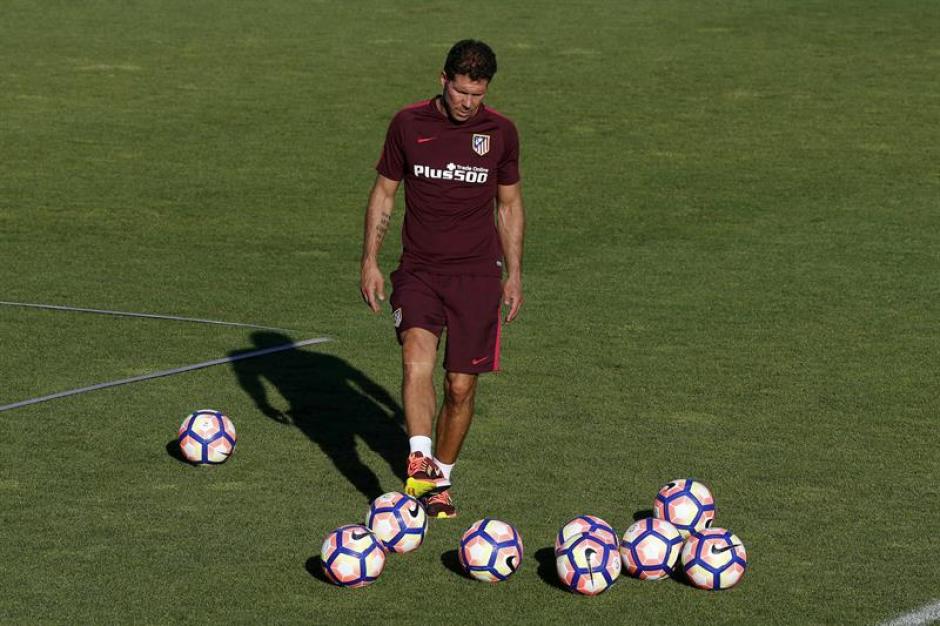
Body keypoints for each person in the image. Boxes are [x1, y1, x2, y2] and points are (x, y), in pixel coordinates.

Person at [359, 39, 526, 518]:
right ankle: (420, 462)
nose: (467, 103)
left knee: (459, 387)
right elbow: (384, 193)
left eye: (477, 94)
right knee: (416, 356)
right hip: (420, 270)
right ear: (443, 79)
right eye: (460, 91)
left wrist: (514, 273)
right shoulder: (408, 124)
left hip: (477, 276)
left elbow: (509, 204)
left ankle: (440, 479)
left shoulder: (500, 133)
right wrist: (370, 260)